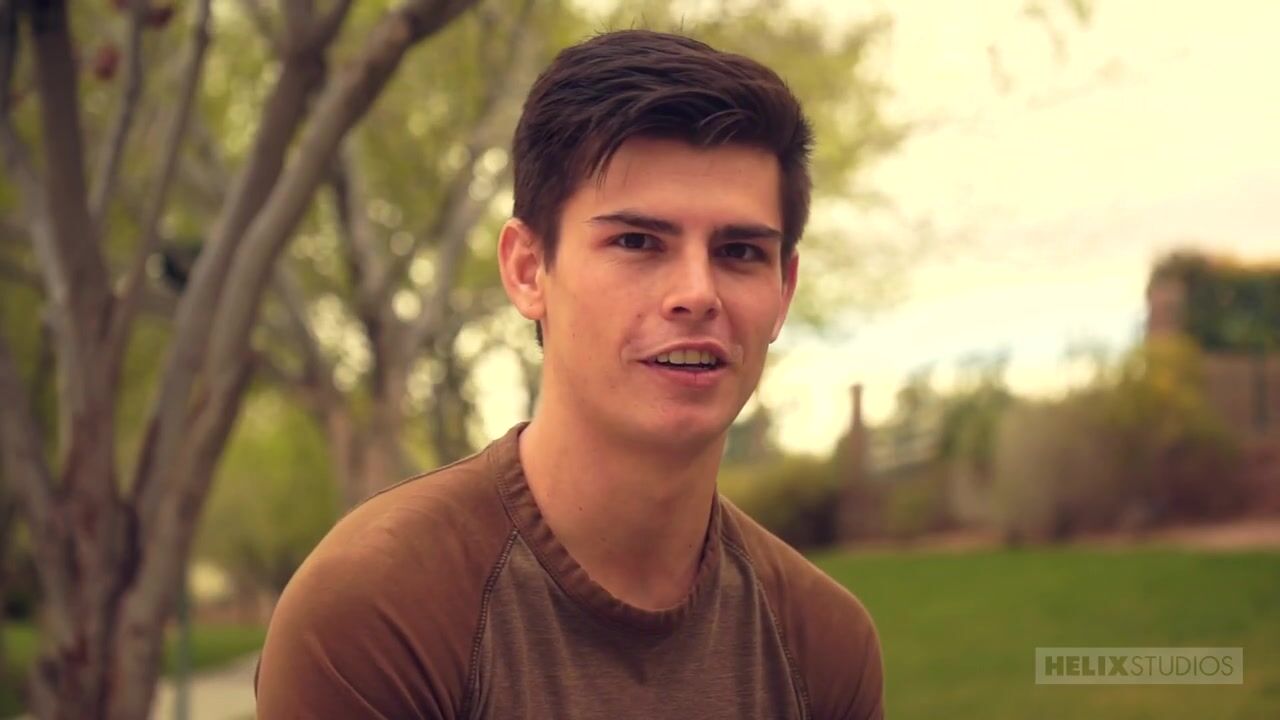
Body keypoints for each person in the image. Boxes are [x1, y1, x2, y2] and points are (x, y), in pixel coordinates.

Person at [256, 28, 884, 719]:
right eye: (637, 242)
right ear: (529, 270)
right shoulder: (379, 610)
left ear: (784, 291)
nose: (697, 293)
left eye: (738, 251)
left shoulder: (823, 645)